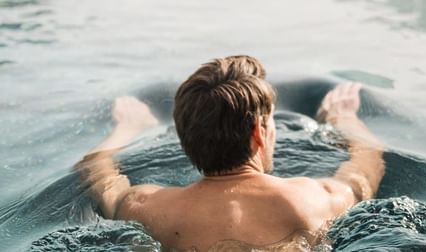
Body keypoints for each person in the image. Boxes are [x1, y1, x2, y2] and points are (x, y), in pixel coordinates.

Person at [76, 55, 385, 251]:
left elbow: (94, 168)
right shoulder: (316, 199)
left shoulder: (146, 207)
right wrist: (343, 118)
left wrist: (129, 127)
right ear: (258, 133)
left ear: (186, 139)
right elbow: (368, 161)